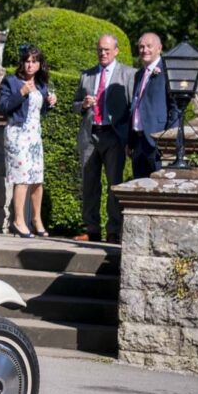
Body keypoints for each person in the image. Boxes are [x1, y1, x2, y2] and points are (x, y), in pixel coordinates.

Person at [73, 34, 134, 243]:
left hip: (114, 136)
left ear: (116, 51)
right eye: (100, 50)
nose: (103, 53)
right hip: (90, 134)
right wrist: (82, 105)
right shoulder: (87, 75)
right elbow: (74, 104)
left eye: (107, 50)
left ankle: (114, 230)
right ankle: (92, 229)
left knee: (114, 184)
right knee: (90, 183)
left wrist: (129, 139)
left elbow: (133, 108)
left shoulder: (128, 74)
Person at [0, 45, 57, 238]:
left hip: (34, 136)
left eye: (34, 62)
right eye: (27, 61)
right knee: (22, 178)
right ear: (22, 63)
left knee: (37, 179)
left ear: (40, 64)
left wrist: (50, 104)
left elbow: (38, 112)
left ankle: (37, 219)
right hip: (17, 134)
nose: (30, 65)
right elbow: (4, 107)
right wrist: (21, 92)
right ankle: (19, 220)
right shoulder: (11, 82)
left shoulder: (41, 85)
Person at [128, 32, 180, 181]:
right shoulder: (139, 74)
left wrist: (169, 139)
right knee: (140, 188)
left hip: (157, 142)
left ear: (159, 48)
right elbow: (135, 107)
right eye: (142, 47)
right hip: (138, 143)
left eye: (149, 46)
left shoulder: (167, 71)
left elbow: (175, 107)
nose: (145, 50)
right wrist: (130, 141)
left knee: (160, 186)